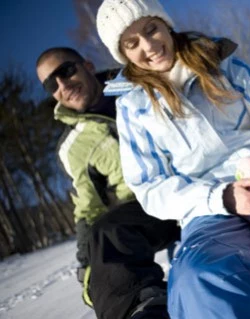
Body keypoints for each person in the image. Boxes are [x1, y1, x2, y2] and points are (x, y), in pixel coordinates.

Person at [95, 0, 250, 317]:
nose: (149, 46)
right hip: (212, 209)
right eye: (132, 43)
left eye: (151, 28)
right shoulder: (132, 107)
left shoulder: (217, 61)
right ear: (124, 54)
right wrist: (222, 197)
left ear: (165, 24)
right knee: (199, 279)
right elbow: (150, 186)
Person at [35, 47, 180, 319]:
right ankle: (141, 309)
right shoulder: (73, 148)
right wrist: (88, 265)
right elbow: (88, 209)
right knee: (107, 230)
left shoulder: (137, 84)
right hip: (152, 208)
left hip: (199, 175)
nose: (63, 85)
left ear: (87, 65)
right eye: (50, 84)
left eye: (66, 71)